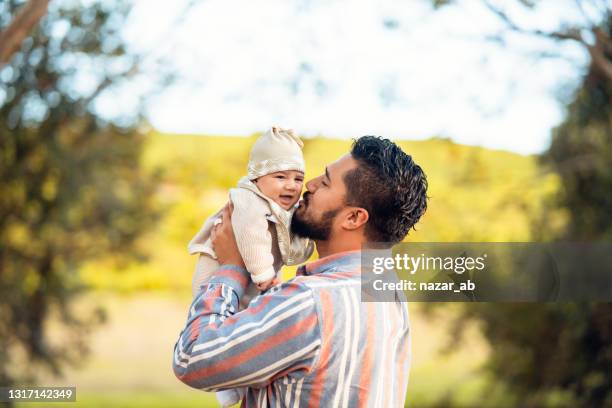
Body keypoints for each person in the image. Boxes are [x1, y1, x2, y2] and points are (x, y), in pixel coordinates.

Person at [173, 136, 428, 407]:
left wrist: (231, 267)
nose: (309, 184)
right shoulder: (389, 293)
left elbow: (191, 359)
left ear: (354, 218)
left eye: (326, 182)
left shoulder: (308, 301)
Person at [186, 126, 313, 406]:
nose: (291, 185)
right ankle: (226, 387)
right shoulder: (248, 200)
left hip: (251, 277)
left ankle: (237, 386)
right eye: (280, 177)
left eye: (298, 178)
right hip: (217, 273)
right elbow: (251, 237)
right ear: (257, 177)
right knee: (223, 322)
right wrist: (266, 276)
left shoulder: (279, 204)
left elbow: (286, 247)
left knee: (244, 327)